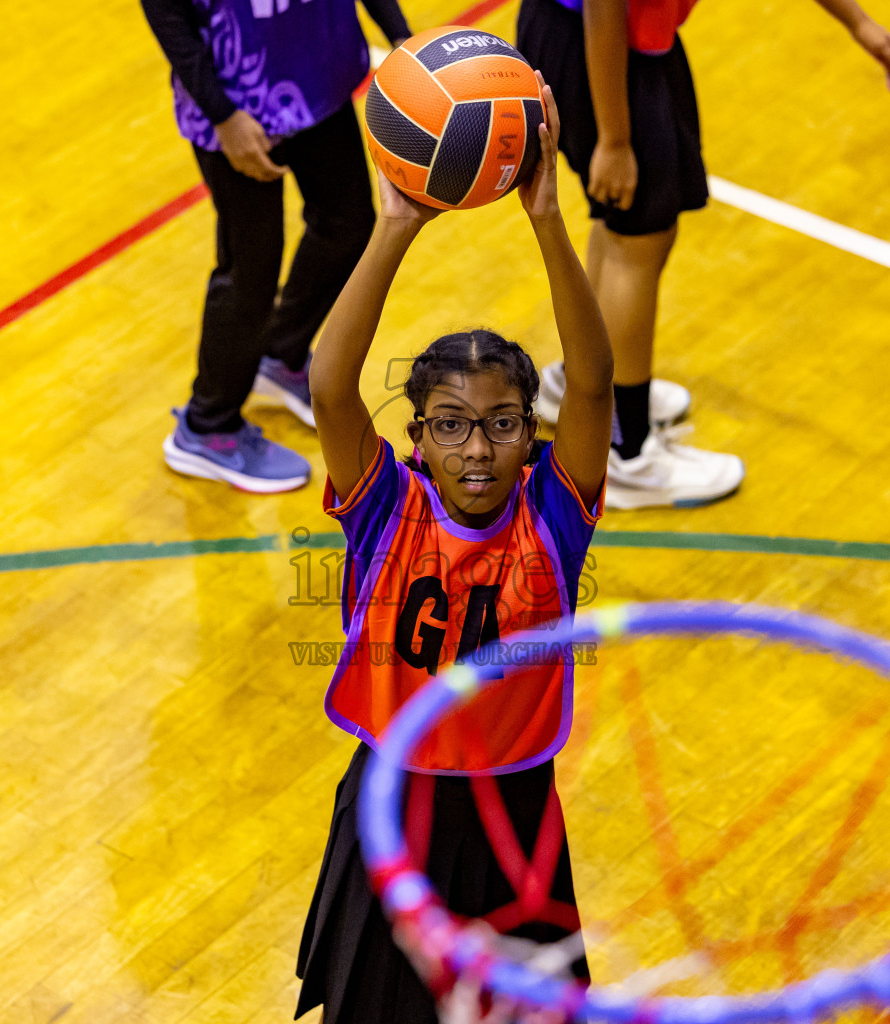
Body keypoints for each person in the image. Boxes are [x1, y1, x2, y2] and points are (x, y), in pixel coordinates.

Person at [296, 78, 609, 1022]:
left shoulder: (554, 517)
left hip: (510, 811)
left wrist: (549, 218)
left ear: (530, 435)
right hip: (395, 803)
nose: (479, 447)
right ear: (420, 439)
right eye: (453, 426)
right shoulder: (385, 509)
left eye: (502, 424)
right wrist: (397, 226)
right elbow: (329, 379)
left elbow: (593, 384)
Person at [517, 0, 890, 508]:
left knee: (623, 227)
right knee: (637, 238)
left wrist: (858, 22)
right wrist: (615, 139)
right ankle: (623, 452)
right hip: (600, 44)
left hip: (605, 37)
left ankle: (587, 393)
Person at [141, 0, 411, 493]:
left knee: (348, 223)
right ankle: (207, 426)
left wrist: (399, 34)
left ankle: (280, 353)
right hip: (237, 97)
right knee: (251, 270)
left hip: (317, 75)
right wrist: (222, 115)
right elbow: (165, 8)